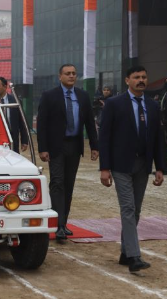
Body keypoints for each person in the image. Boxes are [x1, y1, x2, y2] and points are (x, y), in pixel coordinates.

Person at [99, 65, 164, 273]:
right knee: (127, 208)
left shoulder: (153, 106)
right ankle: (135, 257)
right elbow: (105, 137)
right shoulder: (113, 104)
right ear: (127, 80)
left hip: (143, 165)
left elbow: (158, 139)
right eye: (136, 77)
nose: (141, 80)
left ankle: (125, 252)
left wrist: (160, 167)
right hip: (120, 165)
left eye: (144, 77)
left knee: (135, 210)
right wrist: (105, 168)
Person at [36, 64, 98, 241]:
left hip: (75, 145)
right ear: (60, 76)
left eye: (74, 74)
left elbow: (89, 124)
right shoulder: (49, 96)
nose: (71, 76)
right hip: (56, 146)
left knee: (69, 184)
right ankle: (57, 225)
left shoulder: (83, 96)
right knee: (57, 182)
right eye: (68, 74)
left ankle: (63, 222)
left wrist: (95, 146)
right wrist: (43, 148)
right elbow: (42, 124)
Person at [0, 77, 28, 154]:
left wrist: (24, 141)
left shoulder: (15, 100)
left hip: (12, 138)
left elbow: (22, 122)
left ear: (5, 86)